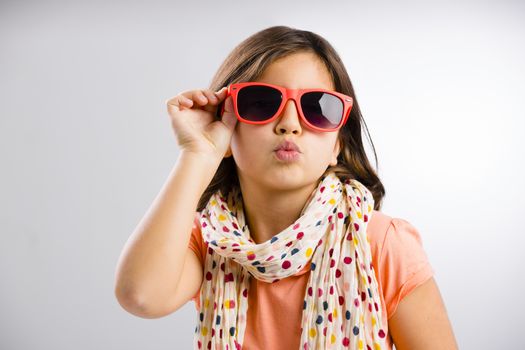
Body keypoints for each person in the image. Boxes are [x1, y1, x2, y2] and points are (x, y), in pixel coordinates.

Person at [114, 25, 458, 350]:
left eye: (318, 108)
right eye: (262, 103)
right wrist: (198, 154)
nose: (290, 124)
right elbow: (140, 295)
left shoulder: (381, 243)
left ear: (337, 144)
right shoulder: (210, 242)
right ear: (228, 128)